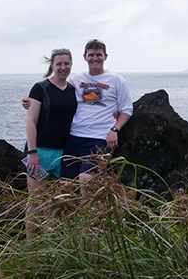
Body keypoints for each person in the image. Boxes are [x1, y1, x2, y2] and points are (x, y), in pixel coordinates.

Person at [61, 39, 133, 182]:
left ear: (105, 56)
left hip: (100, 138)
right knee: (66, 183)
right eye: (91, 55)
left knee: (86, 179)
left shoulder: (116, 80)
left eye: (99, 55)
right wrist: (32, 100)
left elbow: (126, 109)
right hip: (75, 136)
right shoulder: (76, 79)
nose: (95, 58)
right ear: (85, 57)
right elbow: (56, 91)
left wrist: (115, 130)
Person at [25, 48, 77, 238]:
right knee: (36, 201)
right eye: (59, 64)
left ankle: (49, 245)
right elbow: (31, 120)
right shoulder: (40, 88)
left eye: (66, 63)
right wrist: (32, 152)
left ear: (71, 65)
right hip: (39, 152)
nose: (63, 67)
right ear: (52, 66)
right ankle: (30, 246)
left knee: (55, 203)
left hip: (62, 152)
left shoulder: (73, 90)